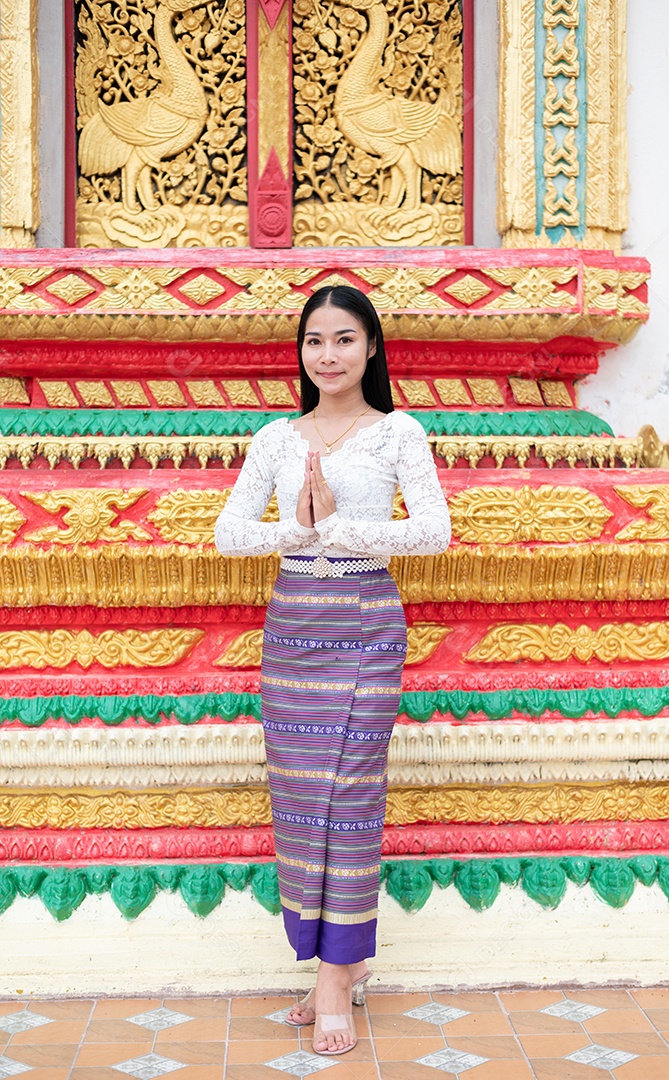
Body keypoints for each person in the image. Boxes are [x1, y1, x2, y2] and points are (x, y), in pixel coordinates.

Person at [214, 285, 451, 1055]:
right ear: (302, 351)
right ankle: (335, 966)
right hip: (292, 629)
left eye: (344, 340)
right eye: (315, 341)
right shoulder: (276, 439)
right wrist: (297, 528)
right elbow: (228, 534)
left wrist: (337, 528)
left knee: (348, 796)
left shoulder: (397, 433)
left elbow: (434, 533)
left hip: (364, 624)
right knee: (298, 798)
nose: (328, 355)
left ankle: (334, 978)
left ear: (371, 347)